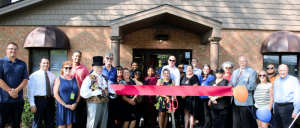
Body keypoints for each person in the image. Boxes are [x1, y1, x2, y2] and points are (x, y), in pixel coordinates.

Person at [80, 56, 117, 128]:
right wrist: (94, 93)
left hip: (105, 103)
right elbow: (82, 93)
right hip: (94, 104)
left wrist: (113, 94)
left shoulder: (104, 78)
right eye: (98, 67)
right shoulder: (89, 78)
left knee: (103, 123)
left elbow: (110, 88)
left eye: (101, 67)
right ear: (93, 67)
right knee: (92, 123)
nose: (100, 69)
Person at [0, 42, 29, 128]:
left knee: (16, 124)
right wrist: (11, 92)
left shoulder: (22, 63)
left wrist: (16, 91)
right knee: (1, 123)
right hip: (3, 100)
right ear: (6, 50)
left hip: (18, 100)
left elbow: (25, 79)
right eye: (11, 49)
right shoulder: (1, 62)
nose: (13, 51)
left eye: (15, 49)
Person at [229, 56, 257, 128]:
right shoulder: (235, 72)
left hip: (245, 101)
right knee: (236, 123)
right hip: (235, 101)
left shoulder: (252, 72)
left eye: (244, 61)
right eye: (241, 61)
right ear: (238, 62)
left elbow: (252, 86)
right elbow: (232, 81)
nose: (242, 63)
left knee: (246, 123)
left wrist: (238, 89)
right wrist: (230, 84)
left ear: (247, 62)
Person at [27, 58, 56, 128]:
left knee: (50, 123)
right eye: (44, 63)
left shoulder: (53, 76)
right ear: (40, 64)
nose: (46, 64)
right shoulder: (34, 75)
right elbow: (30, 90)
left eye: (47, 63)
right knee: (37, 123)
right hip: (39, 100)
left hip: (50, 100)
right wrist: (32, 104)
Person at [53, 61, 81, 128]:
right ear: (63, 69)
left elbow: (79, 92)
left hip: (72, 106)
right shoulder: (58, 79)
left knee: (69, 125)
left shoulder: (75, 79)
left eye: (70, 68)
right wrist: (65, 105)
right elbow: (55, 94)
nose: (68, 69)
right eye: (66, 68)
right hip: (62, 106)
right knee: (61, 126)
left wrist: (76, 103)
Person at [71, 51, 89, 128]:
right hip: (70, 95)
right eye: (76, 56)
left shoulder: (84, 69)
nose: (77, 58)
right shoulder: (68, 67)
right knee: (71, 115)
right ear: (72, 56)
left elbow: (88, 83)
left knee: (81, 115)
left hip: (81, 95)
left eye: (79, 57)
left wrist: (86, 96)